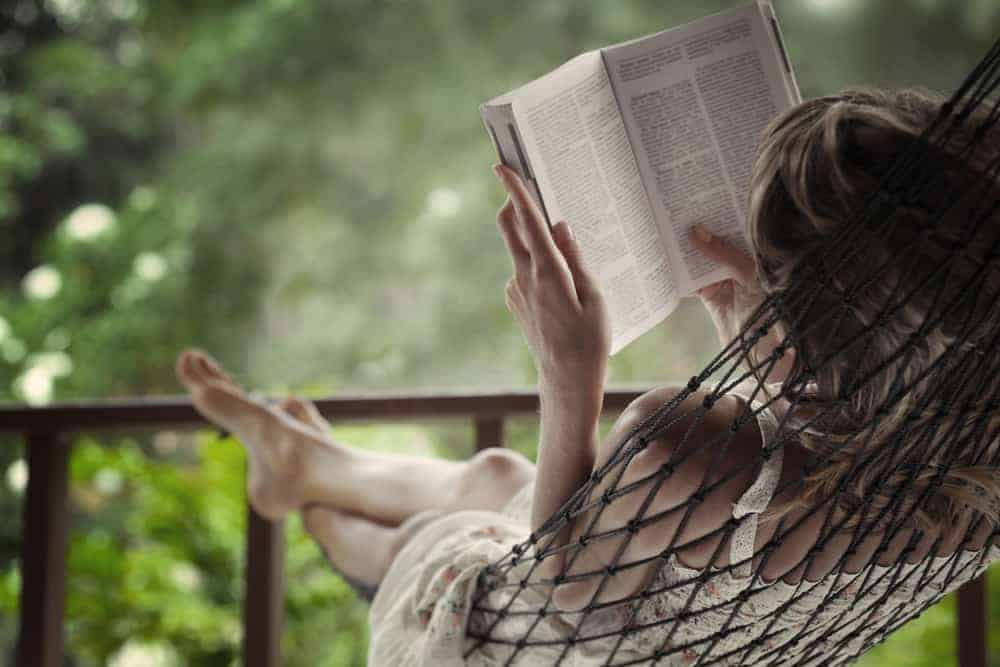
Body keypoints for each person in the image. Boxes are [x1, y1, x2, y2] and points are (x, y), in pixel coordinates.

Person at [176, 88, 1000, 665]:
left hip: (505, 643)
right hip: (656, 608)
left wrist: (569, 372)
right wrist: (759, 332)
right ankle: (308, 464)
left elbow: (561, 585)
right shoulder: (971, 476)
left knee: (413, 538)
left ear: (814, 325)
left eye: (776, 276)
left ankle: (305, 494)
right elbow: (800, 480)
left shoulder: (687, 443)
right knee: (496, 473)